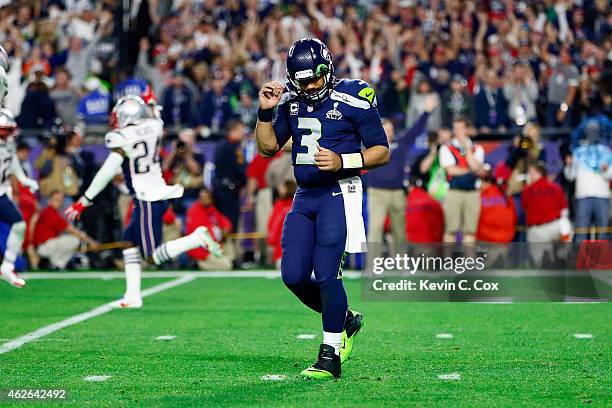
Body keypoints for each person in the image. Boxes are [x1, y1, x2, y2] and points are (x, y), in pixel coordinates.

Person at [256, 38, 389, 379]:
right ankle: (344, 318)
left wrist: (344, 159)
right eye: (304, 80)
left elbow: (381, 150)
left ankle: (330, 354)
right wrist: (266, 112)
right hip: (305, 196)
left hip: (340, 190)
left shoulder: (353, 97)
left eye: (316, 77)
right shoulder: (292, 102)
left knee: (328, 270)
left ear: (328, 69)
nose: (312, 85)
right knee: (293, 275)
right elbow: (267, 148)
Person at [65, 96, 221, 308]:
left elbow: (108, 170)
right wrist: (151, 107)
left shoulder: (122, 136)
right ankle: (132, 295)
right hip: (152, 192)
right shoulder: (155, 126)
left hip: (148, 197)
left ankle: (196, 238)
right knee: (129, 242)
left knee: (151, 257)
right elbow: (155, 114)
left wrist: (84, 200)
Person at [365, 95, 437, 261]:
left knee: (399, 231)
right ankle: (370, 268)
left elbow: (415, 130)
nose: (388, 132)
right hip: (377, 193)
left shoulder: (401, 143)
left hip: (398, 193)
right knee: (375, 230)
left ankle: (401, 266)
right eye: (385, 129)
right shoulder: (371, 146)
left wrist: (426, 112)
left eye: (390, 129)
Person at [0, 108, 39, 288]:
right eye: (3, 130)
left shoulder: (8, 142)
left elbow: (12, 159)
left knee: (19, 225)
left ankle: (7, 266)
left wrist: (23, 179)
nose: (6, 134)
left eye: (8, 129)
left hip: (0, 193)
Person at [564, 121, 612, 242]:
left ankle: (603, 260)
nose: (593, 133)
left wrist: (606, 170)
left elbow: (610, 175)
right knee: (581, 231)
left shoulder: (606, 152)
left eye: (595, 130)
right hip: (583, 196)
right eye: (590, 130)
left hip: (602, 195)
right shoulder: (578, 152)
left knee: (603, 232)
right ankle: (581, 259)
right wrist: (569, 165)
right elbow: (571, 176)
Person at [439, 116, 484, 243]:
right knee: (450, 230)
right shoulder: (446, 148)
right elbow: (450, 170)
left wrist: (468, 149)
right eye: (455, 129)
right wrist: (471, 170)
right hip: (454, 192)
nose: (457, 132)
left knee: (470, 231)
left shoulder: (477, 148)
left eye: (461, 129)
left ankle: (468, 262)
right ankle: (447, 261)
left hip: (472, 193)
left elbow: (475, 166)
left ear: (468, 130)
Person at [521, 161, 572, 265]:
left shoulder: (527, 190)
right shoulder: (556, 188)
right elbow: (564, 210)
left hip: (536, 230)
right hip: (554, 227)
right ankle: (561, 254)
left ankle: (552, 257)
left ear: (539, 173)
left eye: (531, 172)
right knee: (566, 225)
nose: (529, 175)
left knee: (539, 265)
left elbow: (525, 210)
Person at [33, 190, 98, 270]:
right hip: (43, 247)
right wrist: (91, 242)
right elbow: (72, 230)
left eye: (61, 200)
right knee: (74, 240)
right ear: (49, 201)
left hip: (44, 246)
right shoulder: (50, 213)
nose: (59, 202)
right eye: (56, 199)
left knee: (68, 240)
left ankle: (55, 265)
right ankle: (55, 263)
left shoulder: (49, 212)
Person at [185, 189, 234, 271]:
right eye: (202, 198)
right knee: (226, 266)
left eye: (207, 198)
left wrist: (225, 229)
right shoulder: (194, 211)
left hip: (212, 244)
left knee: (227, 238)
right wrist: (217, 236)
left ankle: (230, 260)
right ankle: (198, 264)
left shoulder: (211, 209)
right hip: (201, 249)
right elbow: (202, 235)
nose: (204, 200)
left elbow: (224, 221)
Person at [213, 120, 248, 232]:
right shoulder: (230, 147)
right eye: (240, 130)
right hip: (227, 192)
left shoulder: (225, 146)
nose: (243, 133)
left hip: (226, 189)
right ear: (233, 131)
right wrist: (243, 182)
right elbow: (240, 169)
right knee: (229, 225)